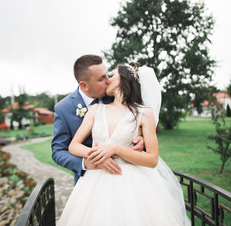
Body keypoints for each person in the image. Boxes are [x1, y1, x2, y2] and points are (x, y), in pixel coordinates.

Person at [57, 62, 191, 225]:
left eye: (111, 75)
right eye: (105, 77)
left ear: (125, 80)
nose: (107, 79)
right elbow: (73, 146)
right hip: (95, 184)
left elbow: (152, 159)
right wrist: (96, 156)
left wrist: (117, 149)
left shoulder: (144, 114)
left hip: (133, 184)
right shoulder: (95, 110)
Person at [51, 54, 144, 184]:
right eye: (101, 78)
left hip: (126, 177)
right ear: (84, 85)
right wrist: (85, 162)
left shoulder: (116, 95)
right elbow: (58, 151)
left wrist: (141, 138)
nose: (108, 80)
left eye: (107, 74)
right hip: (90, 181)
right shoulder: (63, 108)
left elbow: (138, 120)